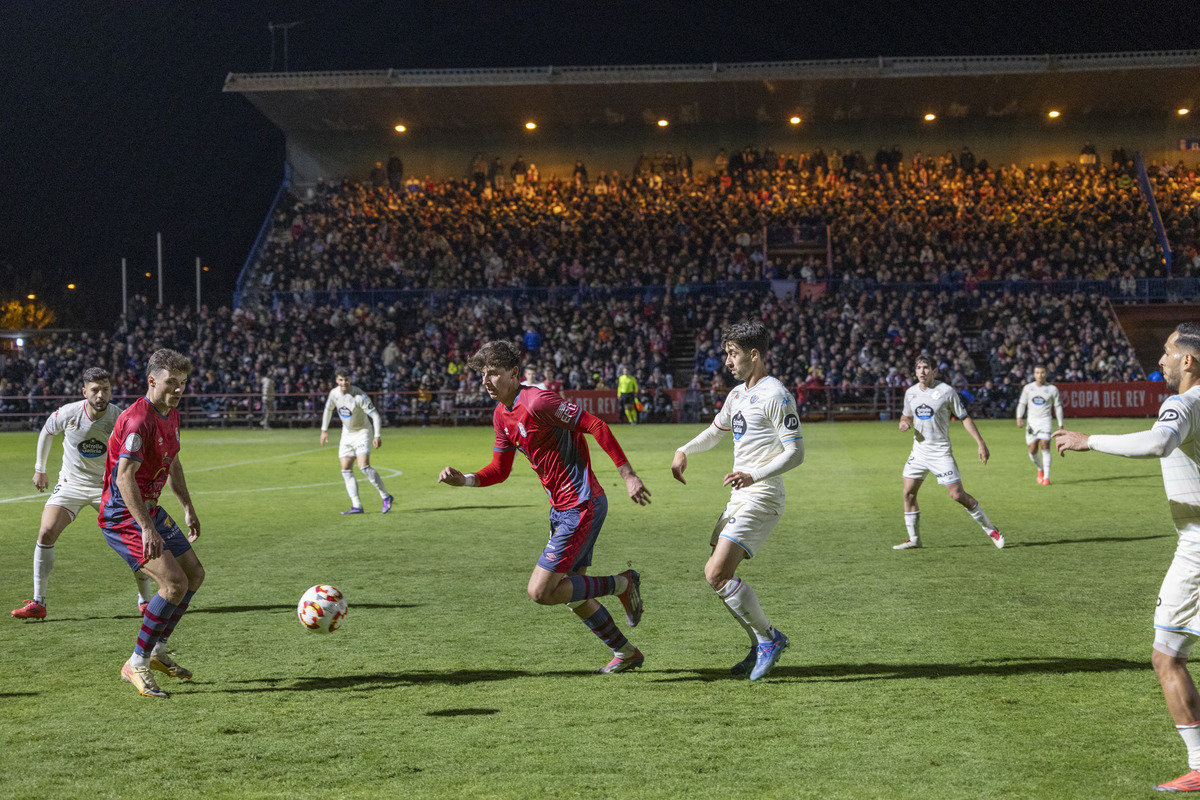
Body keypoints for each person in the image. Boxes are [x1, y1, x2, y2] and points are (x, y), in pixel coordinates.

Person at [437, 340, 651, 674]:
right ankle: (626, 653)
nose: (486, 381)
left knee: (541, 591)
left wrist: (628, 475)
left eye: (493, 373)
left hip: (582, 504)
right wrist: (463, 480)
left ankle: (623, 583)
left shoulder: (539, 401)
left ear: (514, 373)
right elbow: (499, 471)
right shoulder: (501, 415)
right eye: (482, 374)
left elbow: (596, 425)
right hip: (561, 509)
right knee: (571, 593)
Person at [1054, 323, 1200, 792]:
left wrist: (1088, 440)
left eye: (1167, 352)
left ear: (1188, 360)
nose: (1160, 360)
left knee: (1167, 655)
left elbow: (1159, 442)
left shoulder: (1182, 403)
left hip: (1198, 548)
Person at [671, 320, 804, 680]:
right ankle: (760, 642)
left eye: (733, 354)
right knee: (717, 573)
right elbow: (715, 433)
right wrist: (684, 450)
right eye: (727, 353)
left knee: (716, 572)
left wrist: (753, 475)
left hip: (762, 495)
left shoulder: (777, 394)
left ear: (754, 354)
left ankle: (769, 640)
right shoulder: (737, 395)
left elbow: (795, 453)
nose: (727, 362)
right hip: (740, 495)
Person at [98, 349, 204, 698]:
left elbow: (172, 464)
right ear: (152, 380)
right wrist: (146, 527)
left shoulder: (171, 415)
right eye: (171, 382)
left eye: (183, 383)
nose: (178, 389)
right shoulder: (137, 419)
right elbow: (124, 477)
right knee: (172, 584)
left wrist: (187, 505)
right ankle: (137, 662)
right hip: (124, 515)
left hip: (150, 508)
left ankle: (158, 651)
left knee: (194, 575)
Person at [11, 367, 155, 620]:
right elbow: (47, 431)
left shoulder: (119, 418)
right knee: (46, 532)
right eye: (95, 390)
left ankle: (145, 600)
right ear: (84, 391)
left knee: (134, 539)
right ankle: (38, 602)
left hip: (108, 488)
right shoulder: (69, 412)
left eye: (106, 389)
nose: (101, 395)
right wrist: (39, 469)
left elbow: (134, 456)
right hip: (71, 485)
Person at [894, 354, 1004, 550]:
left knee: (957, 495)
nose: (922, 371)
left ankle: (991, 530)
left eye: (926, 367)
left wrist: (980, 442)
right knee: (908, 493)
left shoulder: (946, 391)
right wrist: (904, 421)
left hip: (940, 453)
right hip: (918, 452)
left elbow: (964, 417)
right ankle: (914, 539)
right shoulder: (910, 392)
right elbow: (906, 414)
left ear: (934, 371)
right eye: (918, 367)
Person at [320, 369, 393, 515]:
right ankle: (356, 506)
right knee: (346, 469)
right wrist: (324, 430)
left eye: (346, 380)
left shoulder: (359, 396)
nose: (344, 383)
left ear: (350, 380)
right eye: (341, 380)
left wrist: (377, 435)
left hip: (362, 432)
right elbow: (328, 410)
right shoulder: (334, 394)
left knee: (363, 466)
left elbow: (376, 416)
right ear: (337, 381)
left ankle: (385, 496)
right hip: (347, 433)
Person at [1015, 364, 1064, 485]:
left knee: (1045, 445)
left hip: (1045, 421)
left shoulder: (1052, 389)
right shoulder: (1028, 388)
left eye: (1042, 372)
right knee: (1032, 450)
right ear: (1034, 374)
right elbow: (1022, 403)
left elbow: (1057, 406)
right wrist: (1019, 417)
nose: (1040, 375)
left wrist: (1060, 424)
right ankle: (1040, 468)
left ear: (1046, 374)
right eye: (1037, 373)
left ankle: (1046, 477)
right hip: (1032, 423)